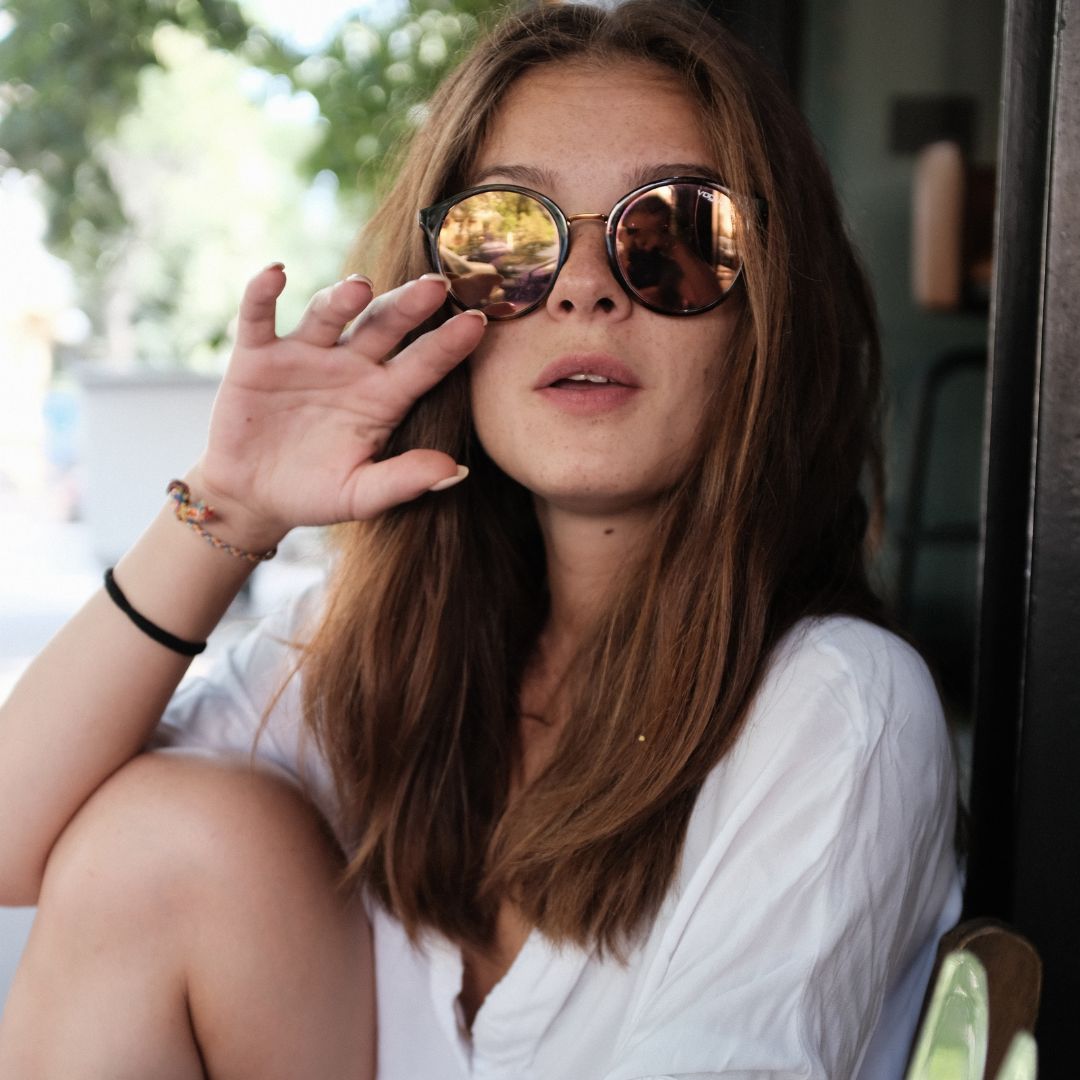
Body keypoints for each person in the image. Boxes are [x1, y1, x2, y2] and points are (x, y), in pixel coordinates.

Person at [0, 2, 961, 1078]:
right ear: (440, 300)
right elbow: (15, 841)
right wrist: (228, 508)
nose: (588, 287)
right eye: (509, 237)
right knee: (158, 837)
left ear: (773, 317)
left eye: (679, 234)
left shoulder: (839, 709)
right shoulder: (377, 652)